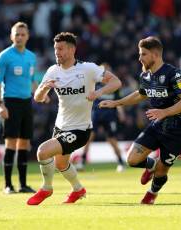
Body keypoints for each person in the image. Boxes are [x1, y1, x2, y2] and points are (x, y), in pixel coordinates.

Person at [27, 32, 122, 205]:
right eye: (55, 49)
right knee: (61, 164)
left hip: (80, 129)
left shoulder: (88, 69)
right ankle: (78, 189)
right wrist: (44, 89)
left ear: (72, 50)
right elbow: (38, 98)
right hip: (60, 127)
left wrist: (99, 92)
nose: (57, 52)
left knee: (42, 151)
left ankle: (46, 188)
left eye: (61, 48)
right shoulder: (53, 71)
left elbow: (116, 82)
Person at [99, 36, 181, 204]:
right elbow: (140, 94)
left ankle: (152, 193)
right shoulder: (146, 76)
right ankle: (151, 165)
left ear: (155, 55)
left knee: (163, 170)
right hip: (158, 125)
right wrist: (116, 103)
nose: (139, 58)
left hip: (178, 129)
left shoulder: (173, 74)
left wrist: (165, 112)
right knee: (132, 160)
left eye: (143, 54)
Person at [0, 22, 36, 194]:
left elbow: (31, 80)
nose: (19, 37)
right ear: (11, 36)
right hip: (10, 102)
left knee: (24, 143)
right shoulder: (4, 57)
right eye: (16, 34)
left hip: (26, 102)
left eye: (22, 34)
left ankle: (23, 184)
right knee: (10, 142)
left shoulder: (31, 57)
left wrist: (41, 92)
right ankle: (8, 185)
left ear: (28, 36)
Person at [77, 63, 126, 172]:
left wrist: (121, 113)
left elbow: (118, 101)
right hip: (96, 114)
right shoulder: (95, 83)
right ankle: (82, 162)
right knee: (89, 138)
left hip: (109, 115)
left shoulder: (114, 86)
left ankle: (121, 162)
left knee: (112, 139)